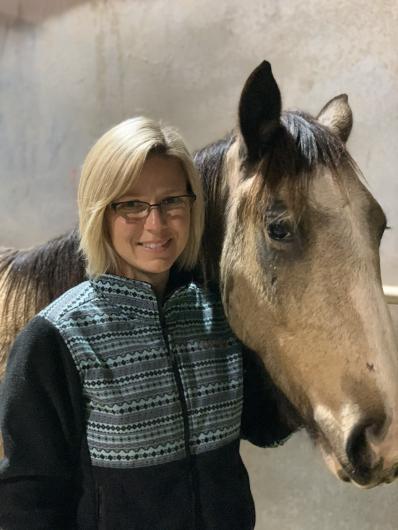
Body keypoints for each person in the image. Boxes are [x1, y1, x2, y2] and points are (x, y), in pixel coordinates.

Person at [0, 117, 292, 530]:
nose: (156, 223)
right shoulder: (56, 338)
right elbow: (28, 500)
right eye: (131, 205)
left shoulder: (217, 317)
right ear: (100, 212)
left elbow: (263, 425)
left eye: (172, 200)